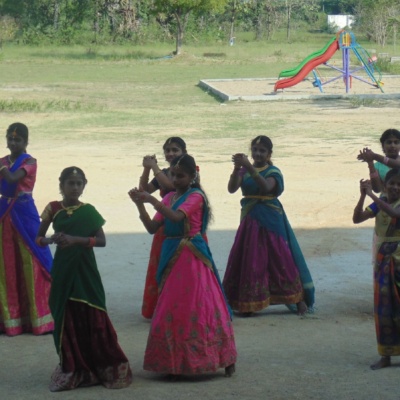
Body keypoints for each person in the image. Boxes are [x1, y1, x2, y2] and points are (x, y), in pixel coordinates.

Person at [129, 154, 237, 377]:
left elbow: (177, 218)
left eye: (181, 176)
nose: (176, 180)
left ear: (192, 176)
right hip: (172, 254)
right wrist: (140, 205)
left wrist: (150, 199)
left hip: (191, 256)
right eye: (174, 176)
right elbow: (152, 227)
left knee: (199, 304)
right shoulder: (169, 198)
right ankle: (172, 361)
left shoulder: (196, 196)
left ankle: (219, 356)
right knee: (171, 305)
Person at [37, 166, 132, 391]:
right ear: (61, 186)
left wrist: (75, 240)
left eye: (79, 184)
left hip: (85, 268)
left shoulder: (89, 211)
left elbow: (101, 241)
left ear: (84, 186)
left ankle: (98, 364)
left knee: (92, 311)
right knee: (65, 311)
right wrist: (53, 240)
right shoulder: (53, 208)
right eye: (71, 183)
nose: (75, 188)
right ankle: (73, 365)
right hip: (63, 267)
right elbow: (39, 238)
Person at [223, 135, 315, 316]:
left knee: (280, 257)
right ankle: (248, 302)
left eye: (262, 151)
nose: (258, 154)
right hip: (250, 219)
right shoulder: (244, 171)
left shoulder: (273, 171)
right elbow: (232, 189)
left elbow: (266, 188)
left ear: (269, 153)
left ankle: (297, 300)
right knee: (250, 258)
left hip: (270, 219)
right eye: (255, 150)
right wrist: (236, 169)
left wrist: (248, 166)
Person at [0, 122, 53, 336]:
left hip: (24, 213)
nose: (13, 143)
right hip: (4, 214)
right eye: (10, 139)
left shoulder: (29, 162)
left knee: (33, 259)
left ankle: (40, 319)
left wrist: (2, 167)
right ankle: (11, 320)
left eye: (18, 139)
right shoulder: (3, 162)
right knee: (7, 263)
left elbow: (12, 179)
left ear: (26, 142)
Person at [353, 169, 400, 370]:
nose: (395, 188)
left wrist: (372, 194)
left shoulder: (389, 204)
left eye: (399, 185)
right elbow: (357, 218)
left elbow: (394, 213)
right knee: (383, 309)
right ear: (386, 184)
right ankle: (386, 354)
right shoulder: (379, 203)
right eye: (392, 184)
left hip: (397, 258)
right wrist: (363, 196)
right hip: (382, 260)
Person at [139, 137, 187, 319]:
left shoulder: (190, 169)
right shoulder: (164, 171)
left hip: (184, 223)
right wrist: (146, 168)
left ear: (184, 152)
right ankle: (161, 306)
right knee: (161, 264)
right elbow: (144, 189)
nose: (171, 153)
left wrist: (154, 168)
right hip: (164, 223)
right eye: (167, 150)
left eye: (175, 150)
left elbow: (171, 186)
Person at [357, 129, 400, 193]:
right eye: (389, 142)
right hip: (386, 201)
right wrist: (370, 163)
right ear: (383, 146)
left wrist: (375, 156)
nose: (392, 145)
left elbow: (397, 165)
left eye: (396, 142)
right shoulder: (377, 166)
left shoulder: (378, 159)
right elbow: (377, 189)